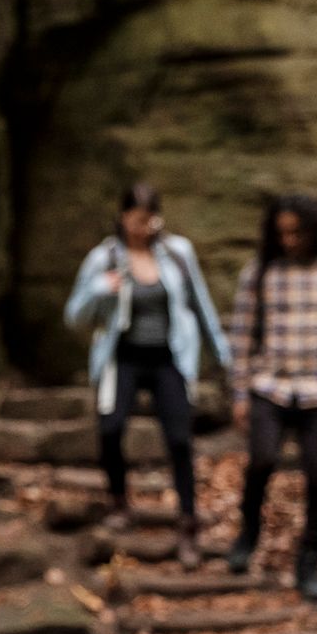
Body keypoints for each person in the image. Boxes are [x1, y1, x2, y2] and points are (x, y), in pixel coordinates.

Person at [64, 184, 231, 564]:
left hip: (168, 358)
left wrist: (222, 355)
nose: (144, 227)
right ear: (123, 218)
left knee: (180, 439)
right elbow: (74, 315)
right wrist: (101, 289)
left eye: (150, 219)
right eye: (137, 219)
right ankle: (119, 502)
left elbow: (200, 304)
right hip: (122, 357)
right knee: (110, 427)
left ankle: (188, 522)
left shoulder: (177, 253)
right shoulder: (103, 258)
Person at [226, 196, 317, 603]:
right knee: (262, 460)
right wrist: (239, 393)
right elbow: (241, 337)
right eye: (281, 233)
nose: (289, 240)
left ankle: (309, 561)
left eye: (297, 232)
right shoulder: (259, 273)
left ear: (314, 230)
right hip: (268, 387)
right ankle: (247, 533)